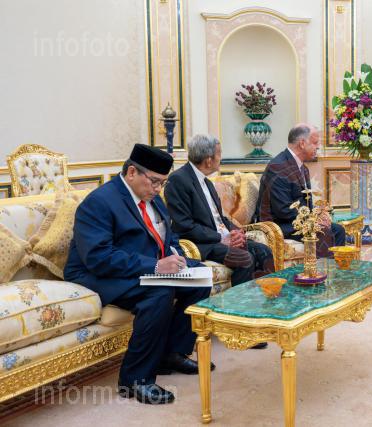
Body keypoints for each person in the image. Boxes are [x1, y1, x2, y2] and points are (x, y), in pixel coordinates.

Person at [64, 144, 214, 405]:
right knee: (159, 292)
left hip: (139, 266)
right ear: (132, 172)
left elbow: (169, 236)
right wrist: (155, 267)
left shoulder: (153, 199)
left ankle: (172, 354)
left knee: (200, 276)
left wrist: (176, 257)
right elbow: (98, 257)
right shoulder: (100, 202)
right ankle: (135, 379)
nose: (158, 189)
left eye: (162, 183)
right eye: (154, 182)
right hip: (97, 273)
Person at [164, 134, 274, 288]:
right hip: (202, 243)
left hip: (220, 239)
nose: (221, 158)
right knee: (245, 259)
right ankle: (237, 303)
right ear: (209, 160)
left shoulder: (207, 182)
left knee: (264, 251)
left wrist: (236, 232)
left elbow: (219, 218)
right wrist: (220, 238)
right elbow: (184, 225)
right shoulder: (178, 180)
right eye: (219, 154)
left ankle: (266, 296)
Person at [256, 123, 346, 256]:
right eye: (315, 143)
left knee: (337, 229)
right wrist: (313, 220)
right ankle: (319, 268)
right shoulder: (278, 167)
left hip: (297, 221)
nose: (318, 147)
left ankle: (332, 267)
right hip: (278, 225)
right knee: (324, 231)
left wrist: (319, 215)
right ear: (302, 143)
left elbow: (306, 203)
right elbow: (283, 209)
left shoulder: (303, 168)